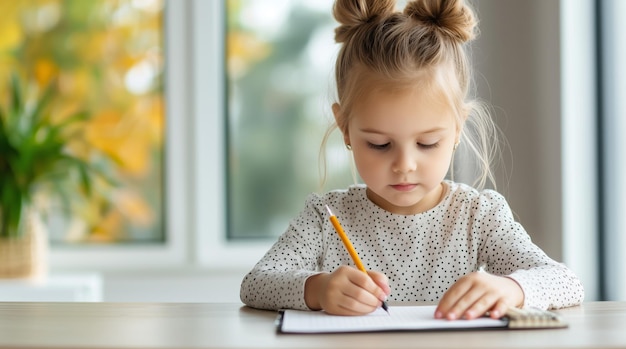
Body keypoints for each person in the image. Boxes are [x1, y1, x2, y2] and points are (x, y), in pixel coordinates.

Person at [240, 0, 584, 320]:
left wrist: (512, 288)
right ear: (345, 127)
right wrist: (319, 289)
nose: (404, 164)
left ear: (457, 129)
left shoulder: (478, 215)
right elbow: (256, 283)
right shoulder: (326, 218)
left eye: (427, 143)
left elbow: (566, 282)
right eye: (379, 144)